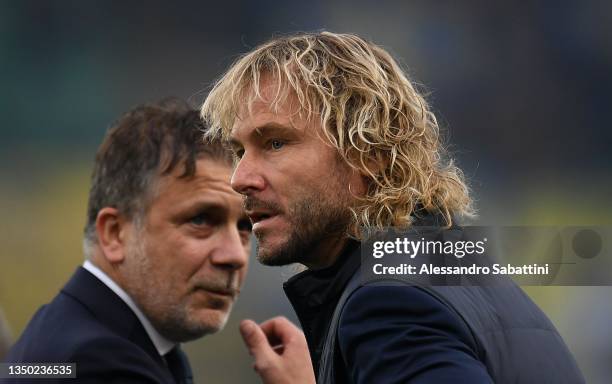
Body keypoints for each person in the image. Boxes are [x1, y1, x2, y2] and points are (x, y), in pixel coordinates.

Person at [201, 32, 585, 383]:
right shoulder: (464, 275)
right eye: (238, 151)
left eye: (275, 143)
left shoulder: (389, 304)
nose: (239, 177)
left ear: (367, 151)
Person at [3, 99, 251, 383]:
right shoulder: (99, 365)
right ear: (114, 233)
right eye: (201, 220)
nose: (236, 256)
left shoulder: (69, 336)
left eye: (246, 226)